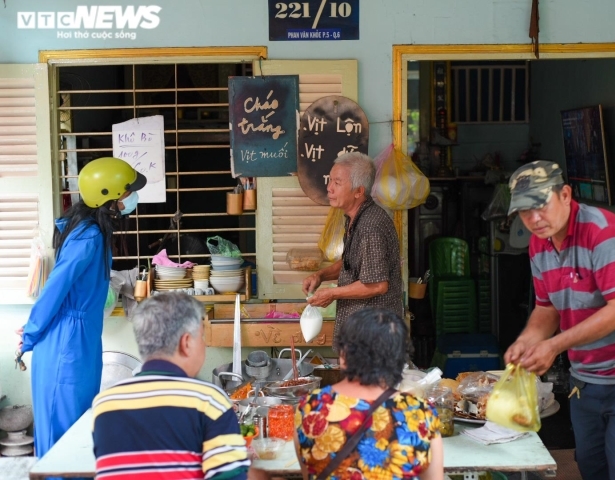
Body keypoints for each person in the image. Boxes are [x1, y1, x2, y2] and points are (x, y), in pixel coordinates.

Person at [503, 160, 615, 480]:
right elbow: (546, 309)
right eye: (525, 212)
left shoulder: (601, 230)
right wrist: (526, 341)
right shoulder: (539, 244)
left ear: (565, 195)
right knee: (592, 465)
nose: (534, 219)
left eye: (541, 205)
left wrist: (554, 345)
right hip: (587, 374)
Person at [16, 157, 146, 458]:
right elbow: (55, 289)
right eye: (128, 193)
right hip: (65, 345)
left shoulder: (96, 233)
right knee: (63, 439)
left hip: (80, 341)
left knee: (79, 433)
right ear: (110, 198)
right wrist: (31, 334)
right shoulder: (88, 237)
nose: (132, 199)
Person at [92, 292, 267, 480]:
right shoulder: (209, 400)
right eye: (201, 337)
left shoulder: (104, 404)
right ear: (186, 343)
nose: (204, 344)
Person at [294, 308, 443, 480]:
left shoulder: (310, 407)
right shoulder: (421, 413)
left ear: (343, 355)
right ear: (399, 359)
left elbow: (309, 474)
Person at [302, 152, 403, 350]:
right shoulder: (354, 219)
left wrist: (332, 294)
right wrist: (321, 275)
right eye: (330, 180)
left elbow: (377, 285)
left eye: (337, 183)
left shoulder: (370, 226)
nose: (329, 188)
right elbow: (352, 261)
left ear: (359, 191)